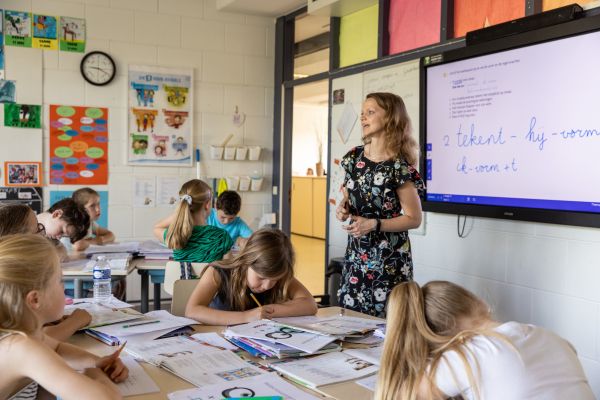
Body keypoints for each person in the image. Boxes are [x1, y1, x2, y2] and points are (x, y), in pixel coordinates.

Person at [375, 281, 595, 400]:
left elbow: (404, 396)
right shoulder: (552, 337)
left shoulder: (467, 355)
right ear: (478, 302)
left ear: (443, 341)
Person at [0, 234, 128, 400]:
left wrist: (96, 361)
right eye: (60, 280)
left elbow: (57, 348)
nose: (64, 287)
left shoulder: (24, 333)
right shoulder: (20, 347)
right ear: (35, 299)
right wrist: (93, 371)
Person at [335, 92, 424, 317]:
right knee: (352, 321)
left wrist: (374, 224)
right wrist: (343, 208)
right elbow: (349, 198)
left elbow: (414, 218)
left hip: (389, 261)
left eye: (371, 112)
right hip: (357, 256)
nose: (363, 118)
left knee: (387, 324)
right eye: (363, 113)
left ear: (390, 118)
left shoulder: (398, 167)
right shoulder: (353, 159)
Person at [185, 228, 318, 325]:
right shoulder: (217, 272)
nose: (267, 286)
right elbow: (192, 311)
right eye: (261, 278)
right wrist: (246, 317)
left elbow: (310, 304)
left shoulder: (279, 272)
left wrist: (269, 311)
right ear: (246, 261)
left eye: (275, 280)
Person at [0, 204, 92, 342]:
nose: (43, 233)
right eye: (37, 228)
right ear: (17, 239)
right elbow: (32, 342)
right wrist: (76, 321)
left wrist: (45, 320)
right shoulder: (9, 278)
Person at [153, 179, 233, 263]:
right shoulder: (222, 237)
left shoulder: (175, 235)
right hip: (210, 276)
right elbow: (229, 269)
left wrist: (180, 212)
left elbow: (157, 227)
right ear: (207, 205)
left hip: (182, 276)